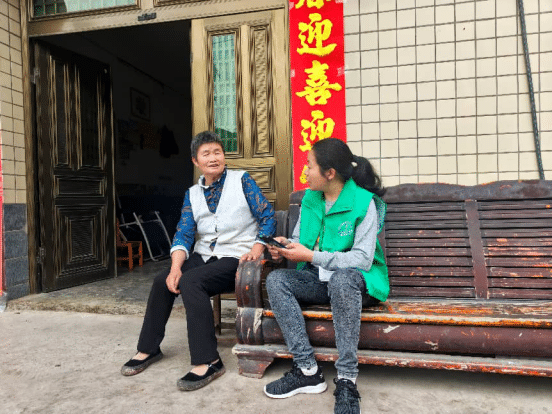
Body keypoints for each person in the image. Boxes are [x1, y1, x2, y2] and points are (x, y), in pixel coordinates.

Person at [121, 131, 275, 391]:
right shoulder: (192, 193)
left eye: (217, 152)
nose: (213, 158)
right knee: (162, 281)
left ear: (223, 156)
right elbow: (184, 233)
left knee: (192, 282)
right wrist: (175, 268)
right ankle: (148, 348)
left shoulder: (242, 181)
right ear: (195, 161)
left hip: (237, 257)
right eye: (206, 154)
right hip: (204, 255)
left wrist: (258, 248)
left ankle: (209, 361)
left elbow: (267, 216)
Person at [263, 138, 388, 414]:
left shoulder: (363, 203)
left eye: (309, 166)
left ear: (330, 173)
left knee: (342, 279)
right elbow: (301, 240)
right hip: (321, 279)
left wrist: (311, 256)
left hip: (359, 284)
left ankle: (347, 379)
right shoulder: (311, 198)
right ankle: (307, 370)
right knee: (277, 280)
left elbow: (362, 260)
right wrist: (285, 248)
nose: (305, 172)